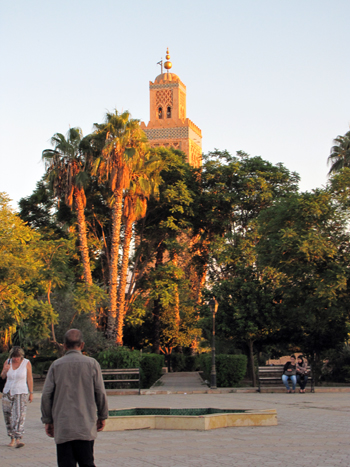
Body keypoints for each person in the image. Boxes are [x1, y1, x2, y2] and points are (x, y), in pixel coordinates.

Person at [41, 329, 108, 467]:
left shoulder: (56, 366)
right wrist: (102, 415)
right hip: (85, 425)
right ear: (82, 345)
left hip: (63, 426)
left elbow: (46, 395)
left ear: (64, 346)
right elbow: (100, 392)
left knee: (65, 464)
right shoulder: (92, 364)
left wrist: (48, 419)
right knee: (87, 462)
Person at [1, 346, 34, 448]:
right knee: (8, 415)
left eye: (18, 357)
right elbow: (2, 377)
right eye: (14, 357)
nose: (16, 359)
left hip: (21, 391)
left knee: (19, 415)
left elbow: (29, 378)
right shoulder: (8, 362)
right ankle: (11, 438)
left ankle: (18, 438)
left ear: (21, 356)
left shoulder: (26, 363)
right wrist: (5, 371)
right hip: (8, 391)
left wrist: (31, 392)